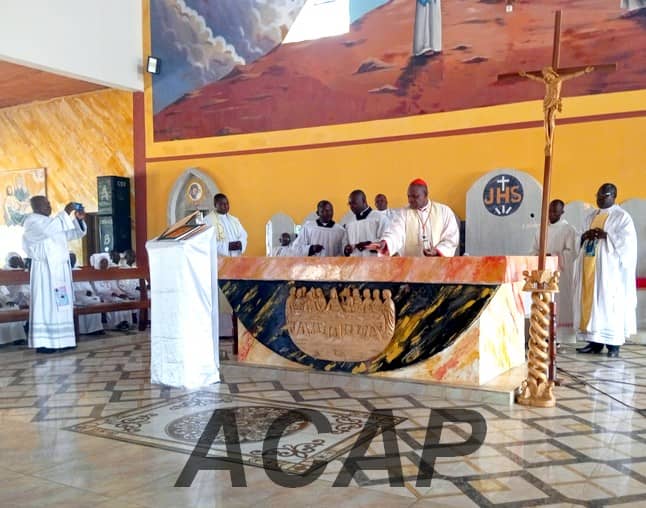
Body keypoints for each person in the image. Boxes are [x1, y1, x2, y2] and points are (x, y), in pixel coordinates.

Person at [574, 183, 637, 358]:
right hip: (589, 268)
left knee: (609, 304)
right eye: (598, 196)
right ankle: (594, 342)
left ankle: (613, 345)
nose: (600, 199)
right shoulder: (591, 216)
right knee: (592, 304)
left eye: (604, 196)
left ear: (614, 196)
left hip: (610, 273)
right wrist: (585, 236)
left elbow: (628, 245)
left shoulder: (622, 217)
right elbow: (578, 236)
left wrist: (606, 236)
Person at [22, 197, 86, 353]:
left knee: (62, 304)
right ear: (36, 207)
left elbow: (73, 234)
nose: (49, 206)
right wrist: (66, 211)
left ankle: (64, 340)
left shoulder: (52, 222)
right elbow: (50, 229)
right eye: (46, 204)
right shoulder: (33, 221)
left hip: (59, 271)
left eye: (50, 203)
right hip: (45, 271)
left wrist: (78, 220)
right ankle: (45, 342)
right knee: (47, 305)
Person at [378, 178, 459, 257]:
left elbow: (451, 238)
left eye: (415, 196)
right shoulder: (403, 213)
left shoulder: (444, 211)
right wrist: (386, 243)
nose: (410, 200)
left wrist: (437, 251)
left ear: (426, 195)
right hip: (411, 266)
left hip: (436, 265)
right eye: (409, 196)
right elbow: (395, 232)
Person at [204, 193, 247, 337]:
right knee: (221, 298)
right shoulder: (208, 221)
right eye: (222, 204)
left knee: (235, 298)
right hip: (219, 266)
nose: (225, 206)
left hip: (235, 264)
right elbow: (208, 243)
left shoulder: (235, 220)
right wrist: (229, 246)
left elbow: (243, 235)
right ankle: (221, 332)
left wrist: (240, 244)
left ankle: (235, 331)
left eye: (227, 203)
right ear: (215, 205)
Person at [530, 199, 578, 326]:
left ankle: (561, 335)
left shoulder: (568, 230)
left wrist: (552, 256)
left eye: (555, 212)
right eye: (550, 211)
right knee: (544, 302)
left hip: (560, 274)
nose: (551, 214)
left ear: (562, 212)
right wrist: (539, 256)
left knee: (559, 302)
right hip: (543, 273)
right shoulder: (541, 229)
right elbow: (534, 250)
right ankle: (544, 332)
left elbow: (571, 253)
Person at [90, 253, 132, 331]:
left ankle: (125, 322)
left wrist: (121, 294)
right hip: (103, 295)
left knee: (125, 300)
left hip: (113, 294)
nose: (104, 264)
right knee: (117, 301)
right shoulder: (95, 274)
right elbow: (98, 290)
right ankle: (116, 324)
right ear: (99, 263)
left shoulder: (109, 273)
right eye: (102, 262)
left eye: (106, 262)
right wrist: (112, 293)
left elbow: (114, 286)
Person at [343, 190, 389, 257]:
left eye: (354, 203)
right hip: (355, 264)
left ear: (364, 201)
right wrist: (346, 249)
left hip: (375, 263)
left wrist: (369, 245)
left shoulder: (379, 218)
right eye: (350, 204)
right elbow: (344, 242)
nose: (351, 206)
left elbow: (386, 241)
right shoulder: (349, 222)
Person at [70, 253, 103, 335]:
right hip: (75, 296)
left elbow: (87, 285)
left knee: (96, 299)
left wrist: (90, 292)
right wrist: (84, 293)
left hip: (84, 295)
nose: (73, 260)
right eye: (71, 259)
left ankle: (96, 327)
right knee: (88, 301)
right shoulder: (66, 272)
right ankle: (87, 329)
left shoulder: (79, 271)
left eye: (74, 259)